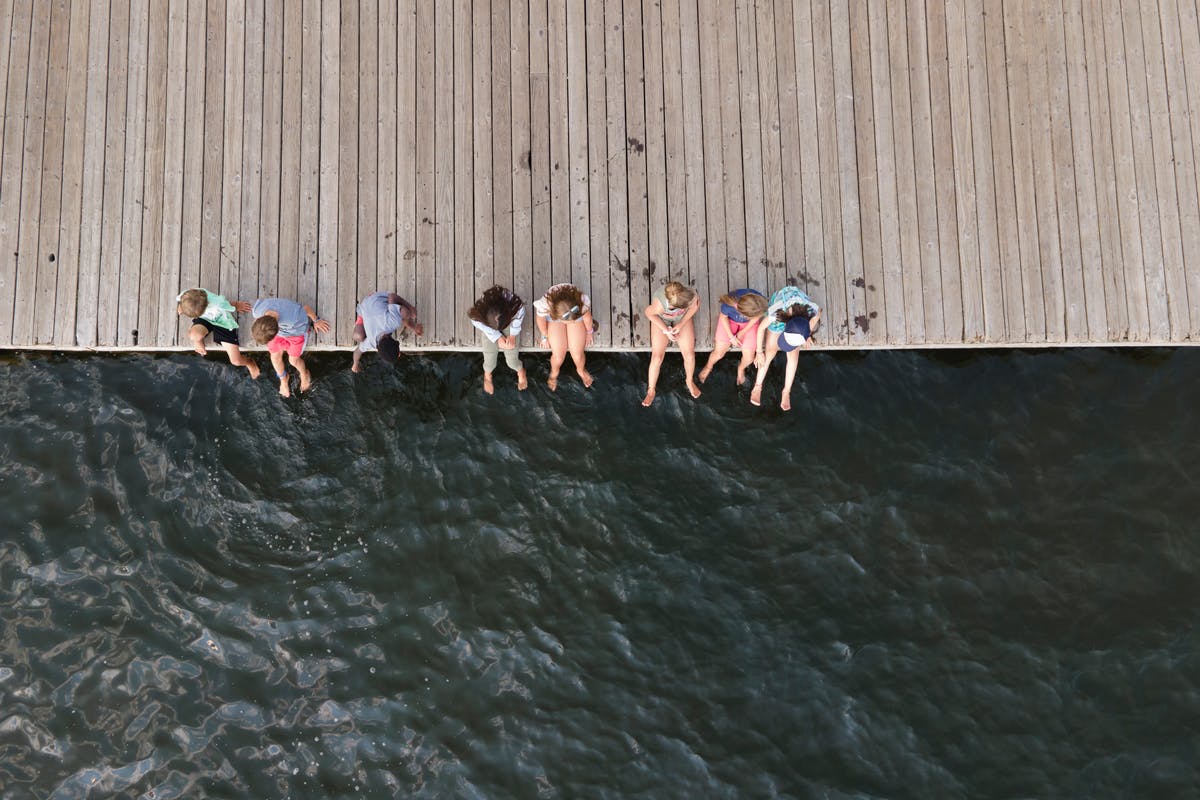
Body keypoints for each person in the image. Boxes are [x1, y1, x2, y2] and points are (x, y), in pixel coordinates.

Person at [751, 286, 821, 411]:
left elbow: (817, 313)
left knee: (793, 357)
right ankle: (757, 386)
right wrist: (758, 352)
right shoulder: (776, 312)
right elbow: (761, 328)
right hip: (782, 316)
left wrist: (806, 333)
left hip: (798, 323)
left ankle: (786, 391)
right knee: (769, 353)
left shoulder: (812, 310)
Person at [250, 297, 331, 397]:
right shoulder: (257, 311)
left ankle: (304, 374)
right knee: (274, 357)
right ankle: (283, 379)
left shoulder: (294, 317)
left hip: (296, 334)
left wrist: (316, 320)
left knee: (293, 360)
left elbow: (306, 309)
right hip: (278, 331)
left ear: (279, 328)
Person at [175, 288, 260, 379]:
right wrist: (182, 307)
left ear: (206, 305)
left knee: (236, 361)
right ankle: (198, 342)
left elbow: (229, 304)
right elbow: (180, 300)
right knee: (194, 335)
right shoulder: (185, 295)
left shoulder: (217, 303)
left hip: (222, 322)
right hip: (205, 319)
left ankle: (250, 362)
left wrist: (236, 305)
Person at [641, 280, 702, 407]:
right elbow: (648, 313)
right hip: (662, 319)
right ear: (679, 307)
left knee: (689, 355)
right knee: (657, 357)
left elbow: (695, 306)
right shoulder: (660, 305)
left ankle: (689, 381)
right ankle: (651, 389)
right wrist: (665, 330)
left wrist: (680, 324)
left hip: (680, 319)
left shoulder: (689, 294)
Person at [698, 288, 768, 387]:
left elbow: (756, 317)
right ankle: (708, 366)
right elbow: (723, 317)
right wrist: (731, 337)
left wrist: (742, 332)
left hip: (749, 324)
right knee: (719, 352)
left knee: (749, 358)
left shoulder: (760, 302)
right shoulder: (729, 305)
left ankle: (741, 368)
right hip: (729, 321)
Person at [533, 283, 595, 391]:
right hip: (555, 317)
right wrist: (544, 336)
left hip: (573, 312)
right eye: (567, 322)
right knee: (558, 355)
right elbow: (540, 320)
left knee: (577, 354)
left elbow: (587, 318)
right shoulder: (545, 304)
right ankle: (554, 372)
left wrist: (589, 332)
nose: (569, 323)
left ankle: (581, 370)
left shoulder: (582, 301)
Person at [467, 285, 528, 394]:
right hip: (490, 327)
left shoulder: (516, 308)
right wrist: (498, 337)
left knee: (512, 362)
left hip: (509, 323)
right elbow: (478, 323)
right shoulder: (479, 313)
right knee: (489, 363)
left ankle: (521, 372)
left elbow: (517, 320)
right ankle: (487, 375)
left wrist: (513, 335)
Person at [351, 291, 423, 373]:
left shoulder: (392, 322)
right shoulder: (371, 342)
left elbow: (392, 296)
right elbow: (357, 351)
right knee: (358, 337)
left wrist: (409, 307)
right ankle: (362, 317)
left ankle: (368, 314)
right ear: (378, 350)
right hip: (365, 306)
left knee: (406, 313)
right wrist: (355, 365)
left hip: (376, 298)